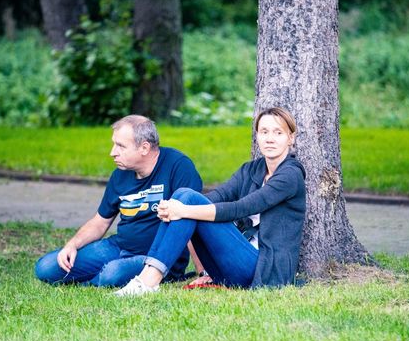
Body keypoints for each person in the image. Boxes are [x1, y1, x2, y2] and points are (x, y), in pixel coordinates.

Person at [115, 107, 306, 296]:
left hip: (265, 271)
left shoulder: (290, 175)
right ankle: (147, 278)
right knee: (184, 195)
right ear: (257, 136)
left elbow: (241, 208)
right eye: (264, 132)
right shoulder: (251, 170)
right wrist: (174, 207)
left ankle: (148, 281)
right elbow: (218, 196)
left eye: (278, 133)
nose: (270, 138)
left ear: (291, 138)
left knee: (187, 202)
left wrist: (184, 210)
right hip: (234, 264)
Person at [34, 115, 205, 287]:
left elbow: (190, 219)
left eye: (121, 146)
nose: (113, 152)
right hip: (119, 247)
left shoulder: (178, 166)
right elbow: (100, 222)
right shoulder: (120, 174)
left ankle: (100, 279)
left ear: (144, 148)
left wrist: (203, 272)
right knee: (46, 267)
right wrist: (72, 245)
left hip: (158, 258)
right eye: (114, 144)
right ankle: (99, 278)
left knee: (112, 273)